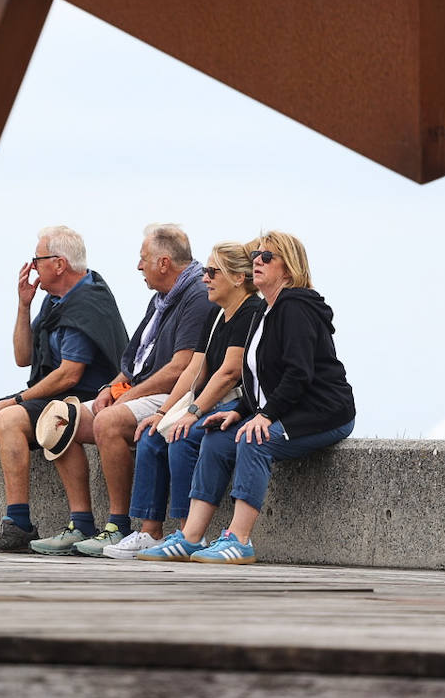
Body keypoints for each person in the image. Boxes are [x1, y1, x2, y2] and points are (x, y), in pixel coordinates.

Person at [137, 231, 355, 564]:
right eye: (256, 256)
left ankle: (239, 540)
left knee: (255, 440)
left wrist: (264, 416)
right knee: (216, 438)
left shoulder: (296, 307)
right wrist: (240, 410)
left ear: (288, 266)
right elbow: (257, 377)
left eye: (267, 257)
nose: (257, 262)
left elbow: (298, 375)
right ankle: (190, 537)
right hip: (286, 408)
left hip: (322, 412)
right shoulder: (265, 310)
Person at [0, 226, 127, 553]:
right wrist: (23, 306)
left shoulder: (88, 301)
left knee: (8, 419)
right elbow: (23, 358)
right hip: (52, 394)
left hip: (84, 397)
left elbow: (69, 375)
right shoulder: (54, 302)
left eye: (37, 259)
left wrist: (16, 401)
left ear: (59, 264)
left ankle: (18, 524)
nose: (33, 266)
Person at [28, 224, 214, 556]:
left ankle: (118, 525)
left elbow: (181, 367)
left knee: (108, 421)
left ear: (163, 263)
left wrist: (128, 396)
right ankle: (81, 523)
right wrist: (110, 388)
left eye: (143, 259)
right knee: (60, 419)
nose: (138, 266)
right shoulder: (160, 299)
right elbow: (133, 363)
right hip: (144, 390)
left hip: (176, 395)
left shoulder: (197, 296)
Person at [97, 242, 263, 558]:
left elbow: (229, 374)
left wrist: (192, 413)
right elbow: (194, 371)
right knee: (151, 434)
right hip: (210, 402)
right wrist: (163, 412)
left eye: (212, 272)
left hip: (236, 404)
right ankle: (150, 531)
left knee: (182, 436)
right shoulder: (216, 313)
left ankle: (189, 535)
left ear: (238, 278)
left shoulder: (250, 311)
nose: (205, 278)